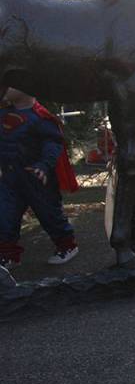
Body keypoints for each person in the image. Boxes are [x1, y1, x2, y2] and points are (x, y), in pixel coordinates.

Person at [0, 88, 79, 269]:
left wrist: (44, 165)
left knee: (49, 214)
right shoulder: (3, 114)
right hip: (10, 179)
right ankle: (8, 255)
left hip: (37, 180)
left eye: (9, 83)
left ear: (24, 86)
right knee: (4, 215)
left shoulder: (41, 118)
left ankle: (67, 245)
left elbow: (53, 143)